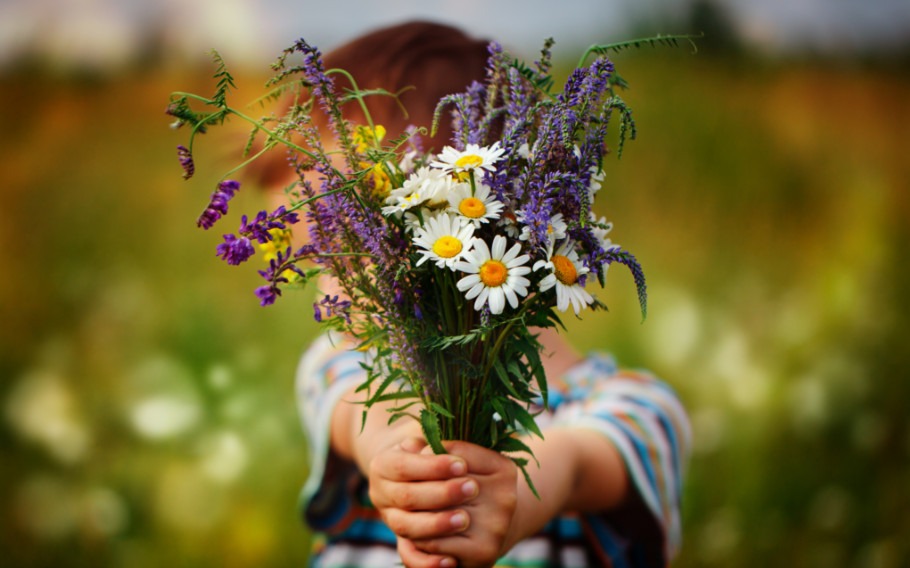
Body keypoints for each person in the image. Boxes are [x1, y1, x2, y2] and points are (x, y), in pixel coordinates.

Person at [259, 21, 691, 568]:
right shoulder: (340, 366)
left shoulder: (634, 409)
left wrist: (521, 493)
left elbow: (583, 461)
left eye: (349, 255)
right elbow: (362, 417)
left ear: (458, 219)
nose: (331, 288)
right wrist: (405, 458)